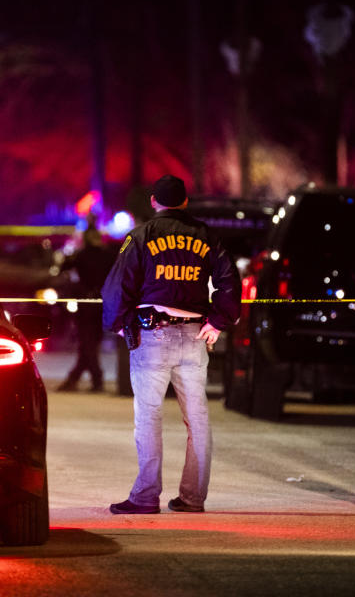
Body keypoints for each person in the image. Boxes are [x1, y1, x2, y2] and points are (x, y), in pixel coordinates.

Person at [101, 174, 239, 514]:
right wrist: (218, 322)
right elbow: (229, 282)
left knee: (148, 418)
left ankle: (145, 497)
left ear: (153, 201)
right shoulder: (206, 236)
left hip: (153, 336)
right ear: (186, 202)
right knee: (198, 419)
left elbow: (117, 287)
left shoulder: (141, 236)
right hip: (194, 337)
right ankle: (193, 498)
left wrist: (117, 325)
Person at [57, 227, 116, 392]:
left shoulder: (82, 255)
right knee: (90, 344)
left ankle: (94, 379)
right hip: (102, 304)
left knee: (87, 343)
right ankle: (75, 379)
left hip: (85, 303)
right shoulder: (109, 255)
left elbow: (63, 267)